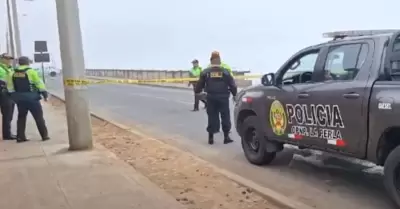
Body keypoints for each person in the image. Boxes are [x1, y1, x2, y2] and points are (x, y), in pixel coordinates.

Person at [195, 52, 237, 145]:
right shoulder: (225, 72)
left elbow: (199, 85)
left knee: (212, 116)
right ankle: (226, 137)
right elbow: (233, 85)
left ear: (211, 61)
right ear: (219, 61)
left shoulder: (205, 72)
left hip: (211, 97)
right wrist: (234, 95)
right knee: (225, 116)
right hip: (223, 98)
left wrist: (198, 92)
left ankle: (211, 138)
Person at [7, 56, 49, 143]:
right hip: (32, 98)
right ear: (27, 63)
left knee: (21, 117)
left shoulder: (12, 73)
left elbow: (10, 87)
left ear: (19, 63)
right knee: (38, 117)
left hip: (20, 99)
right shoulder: (31, 72)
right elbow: (39, 84)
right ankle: (44, 135)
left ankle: (20, 137)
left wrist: (14, 96)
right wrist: (44, 94)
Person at [0, 53, 16, 140]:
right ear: (2, 59)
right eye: (7, 58)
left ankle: (8, 133)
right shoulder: (1, 68)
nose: (9, 60)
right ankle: (7, 134)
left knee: (8, 114)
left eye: (10, 59)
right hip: (3, 93)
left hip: (9, 93)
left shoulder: (10, 69)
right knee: (7, 114)